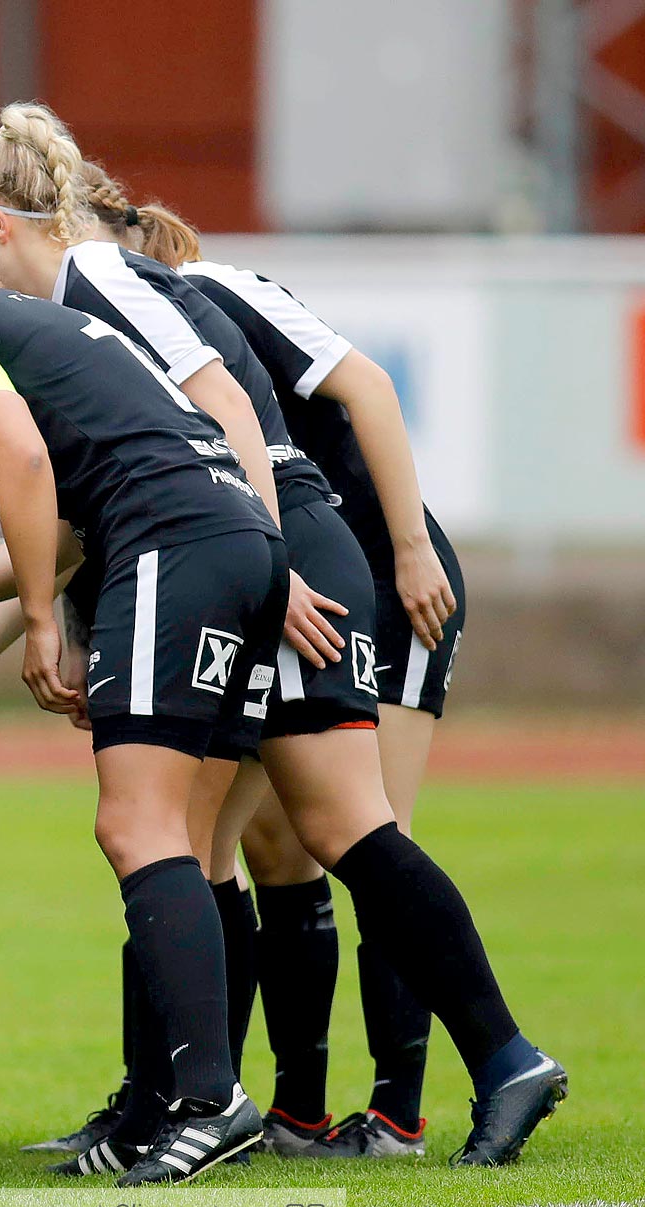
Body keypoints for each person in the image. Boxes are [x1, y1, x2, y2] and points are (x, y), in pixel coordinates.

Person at [0, 107, 567, 1174]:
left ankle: (200, 1104)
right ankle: (211, 1099)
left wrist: (267, 559)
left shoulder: (103, 284)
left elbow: (232, 404)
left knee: (278, 830)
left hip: (275, 546)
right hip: (273, 542)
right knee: (265, 834)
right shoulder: (84, 297)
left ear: (4, 226)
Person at [0, 187, 286, 1184]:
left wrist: (40, 623)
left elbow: (20, 461)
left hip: (175, 544)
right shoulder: (53, 330)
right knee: (179, 832)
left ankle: (210, 1099)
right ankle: (164, 1105)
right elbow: (22, 495)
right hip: (238, 539)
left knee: (137, 827)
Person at [168, 228, 474, 1159]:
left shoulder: (203, 288)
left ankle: (399, 1114)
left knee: (375, 831)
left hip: (385, 573)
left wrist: (414, 547)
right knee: (273, 841)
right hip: (296, 582)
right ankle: (297, 1108)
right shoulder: (141, 325)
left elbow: (370, 386)